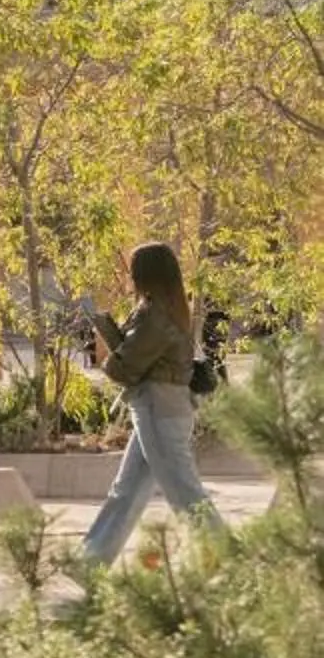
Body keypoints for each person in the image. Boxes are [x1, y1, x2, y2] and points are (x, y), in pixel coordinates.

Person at [78, 241, 226, 564]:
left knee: (185, 494)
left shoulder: (154, 315)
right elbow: (142, 357)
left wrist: (104, 339)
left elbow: (124, 368)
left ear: (145, 274)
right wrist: (112, 333)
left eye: (133, 272)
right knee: (126, 492)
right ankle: (90, 562)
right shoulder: (169, 309)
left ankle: (230, 562)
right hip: (162, 409)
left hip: (158, 411)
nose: (129, 277)